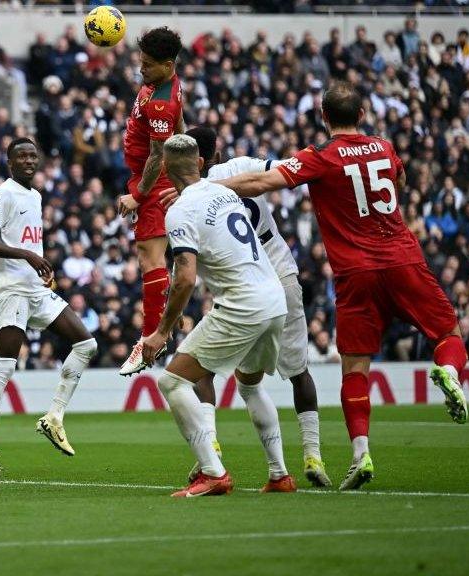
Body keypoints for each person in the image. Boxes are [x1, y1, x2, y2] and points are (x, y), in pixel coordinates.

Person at [215, 81, 469, 491]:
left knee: (354, 366)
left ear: (323, 116)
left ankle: (360, 453)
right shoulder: (386, 148)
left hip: (355, 272)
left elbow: (262, 184)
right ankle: (449, 370)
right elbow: (399, 185)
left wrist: (208, 188)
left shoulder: (320, 157)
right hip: (404, 259)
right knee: (448, 334)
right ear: (363, 116)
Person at [168, 126, 331, 487]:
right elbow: (278, 172)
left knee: (197, 371)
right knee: (292, 372)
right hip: (276, 278)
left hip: (243, 285)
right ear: (214, 153)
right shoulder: (240, 166)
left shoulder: (190, 195)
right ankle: (307, 456)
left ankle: (210, 452)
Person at [140, 134, 293, 497]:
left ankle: (213, 472)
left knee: (171, 382)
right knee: (250, 385)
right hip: (273, 298)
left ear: (164, 169)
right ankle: (279, 475)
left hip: (243, 304)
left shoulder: (179, 210)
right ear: (200, 164)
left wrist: (161, 331)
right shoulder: (225, 192)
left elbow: (187, 276)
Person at [0, 137, 97, 456]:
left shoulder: (36, 196)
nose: (29, 161)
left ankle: (54, 416)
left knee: (86, 344)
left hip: (36, 288)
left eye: (33, 156)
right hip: (11, 288)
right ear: (10, 163)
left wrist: (39, 264)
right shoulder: (3, 193)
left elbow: (29, 239)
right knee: (4, 365)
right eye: (22, 157)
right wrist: (26, 255)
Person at [115, 27, 186, 376]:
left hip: (153, 183)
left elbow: (159, 154)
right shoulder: (162, 85)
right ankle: (167, 313)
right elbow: (181, 130)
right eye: (140, 61)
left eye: (147, 64)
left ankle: (151, 338)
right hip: (148, 177)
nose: (141, 69)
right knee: (151, 256)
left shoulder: (161, 101)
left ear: (168, 64)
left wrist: (138, 196)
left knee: (149, 257)